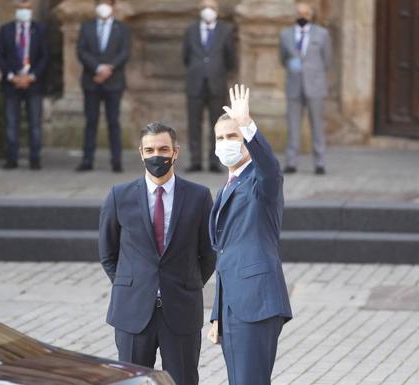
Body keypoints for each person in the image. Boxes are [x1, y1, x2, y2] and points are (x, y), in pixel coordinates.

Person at [99, 122, 216, 385]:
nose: (156, 156)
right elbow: (108, 253)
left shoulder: (198, 196)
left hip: (181, 311)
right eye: (150, 150)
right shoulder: (119, 196)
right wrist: (135, 284)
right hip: (133, 312)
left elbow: (208, 254)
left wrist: (187, 284)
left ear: (175, 152)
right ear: (140, 153)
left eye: (163, 149)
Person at [207, 84, 292, 385]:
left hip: (256, 303)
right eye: (220, 138)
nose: (226, 143)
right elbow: (225, 254)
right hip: (233, 306)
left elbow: (271, 167)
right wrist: (217, 311)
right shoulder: (227, 187)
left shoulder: (260, 181)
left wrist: (247, 124)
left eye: (233, 136)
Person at [0, 0, 50, 170]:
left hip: (33, 85)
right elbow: (0, 57)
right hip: (11, 84)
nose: (23, 11)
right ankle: (12, 159)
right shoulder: (6, 30)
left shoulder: (40, 30)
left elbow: (45, 57)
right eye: (20, 8)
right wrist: (12, 76)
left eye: (26, 8)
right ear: (15, 9)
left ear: (31, 10)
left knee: (35, 124)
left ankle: (35, 159)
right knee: (12, 123)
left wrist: (31, 77)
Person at [76, 0, 130, 173]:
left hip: (114, 82)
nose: (103, 7)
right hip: (91, 81)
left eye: (107, 3)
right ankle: (87, 159)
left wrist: (109, 68)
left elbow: (124, 52)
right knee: (90, 121)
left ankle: (116, 161)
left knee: (113, 122)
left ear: (113, 6)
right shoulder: (87, 27)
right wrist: (98, 68)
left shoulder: (121, 28)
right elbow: (81, 51)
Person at [182, 0, 235, 173]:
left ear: (217, 11)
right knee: (194, 124)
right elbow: (185, 56)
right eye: (205, 8)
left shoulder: (226, 30)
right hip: (195, 83)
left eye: (211, 8)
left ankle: (214, 161)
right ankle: (195, 160)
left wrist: (216, 71)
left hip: (216, 83)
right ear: (199, 10)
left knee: (217, 125)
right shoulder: (190, 30)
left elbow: (231, 59)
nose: (208, 11)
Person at [279, 2, 332, 175]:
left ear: (311, 15)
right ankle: (291, 162)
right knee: (293, 126)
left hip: (315, 86)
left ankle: (320, 162)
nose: (303, 17)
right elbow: (282, 59)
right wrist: (292, 65)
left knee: (317, 125)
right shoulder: (285, 35)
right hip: (294, 86)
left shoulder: (322, 34)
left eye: (306, 14)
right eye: (299, 14)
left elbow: (327, 60)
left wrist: (312, 72)